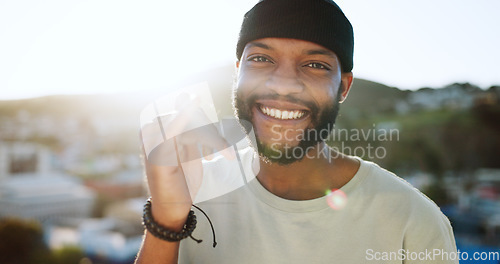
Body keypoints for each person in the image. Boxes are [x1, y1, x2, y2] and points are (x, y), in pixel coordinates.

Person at [135, 0, 459, 263]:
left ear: (343, 87)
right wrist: (166, 220)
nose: (284, 85)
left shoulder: (412, 220)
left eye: (315, 65)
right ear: (238, 73)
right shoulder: (194, 190)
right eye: (261, 59)